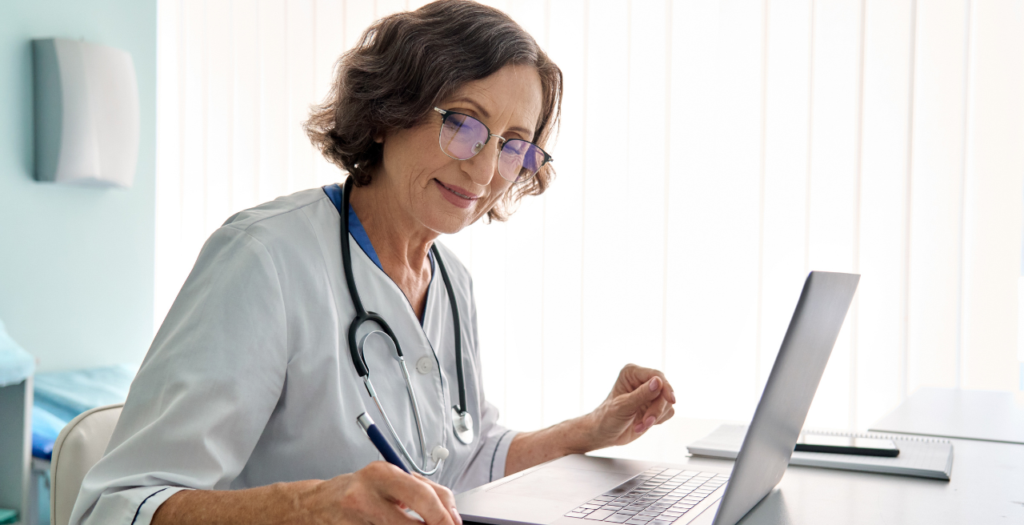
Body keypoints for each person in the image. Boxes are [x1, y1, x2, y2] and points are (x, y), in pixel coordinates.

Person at [70, 2, 676, 524]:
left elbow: (465, 463)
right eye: (465, 125)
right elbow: (115, 508)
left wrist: (591, 431)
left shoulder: (451, 283)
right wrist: (306, 509)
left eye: (513, 146)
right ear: (390, 111)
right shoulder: (264, 260)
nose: (486, 171)